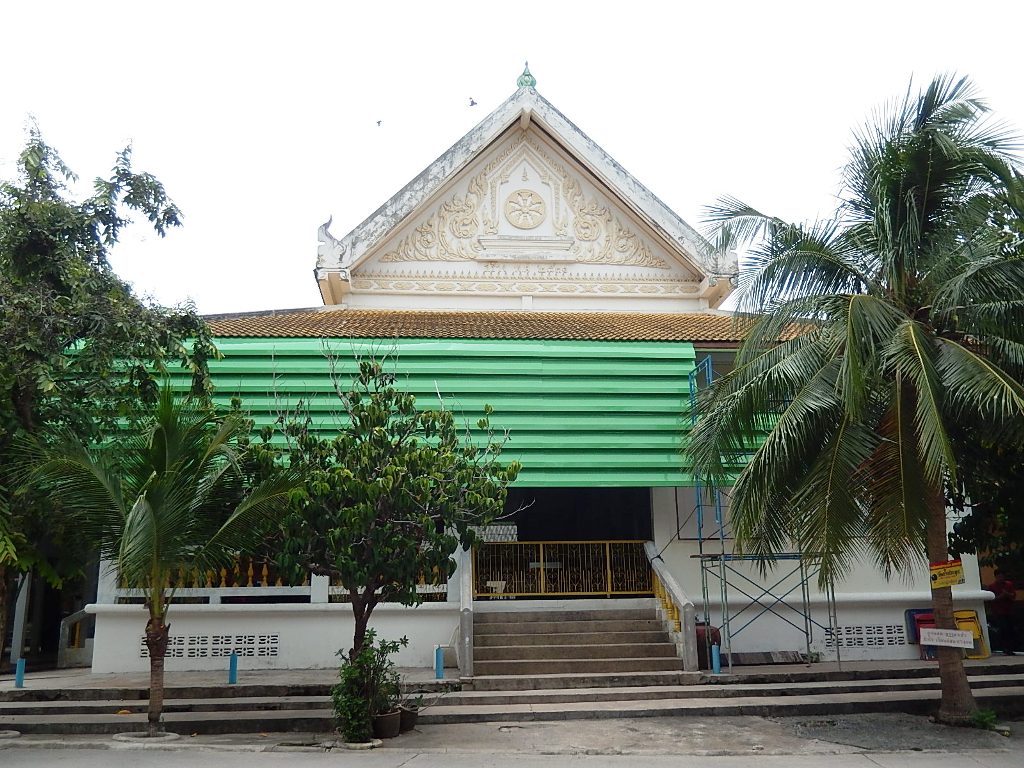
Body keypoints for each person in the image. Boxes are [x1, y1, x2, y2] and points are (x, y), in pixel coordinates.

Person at [987, 569, 1018, 655]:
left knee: (1010, 630)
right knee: (1003, 630)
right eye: (999, 576)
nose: (1001, 578)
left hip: (1009, 611)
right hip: (999, 612)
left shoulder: (1009, 584)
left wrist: (1007, 594)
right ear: (996, 577)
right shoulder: (992, 587)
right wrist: (1002, 596)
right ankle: (1005, 648)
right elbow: (992, 600)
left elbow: (1013, 596)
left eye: (1002, 576)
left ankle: (1011, 648)